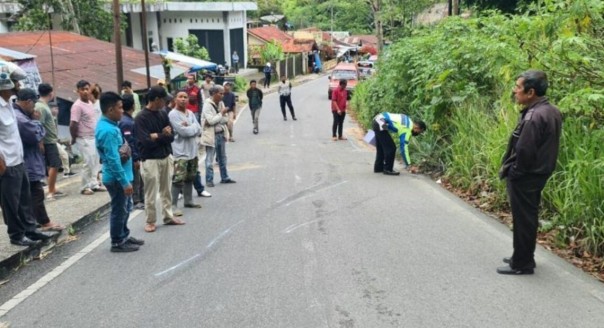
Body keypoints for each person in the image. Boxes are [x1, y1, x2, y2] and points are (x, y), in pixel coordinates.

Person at [497, 70, 562, 275]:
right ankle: (523, 256)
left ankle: (522, 264)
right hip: (539, 172)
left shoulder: (534, 116)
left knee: (523, 218)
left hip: (526, 175)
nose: (515, 91)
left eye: (518, 87)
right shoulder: (551, 110)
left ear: (531, 91)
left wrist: (515, 172)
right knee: (529, 216)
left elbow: (524, 150)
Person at [0, 68, 53, 246]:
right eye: (13, 84)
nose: (17, 86)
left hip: (19, 159)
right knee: (11, 203)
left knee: (24, 199)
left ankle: (30, 230)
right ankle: (16, 235)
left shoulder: (9, 105)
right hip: (6, 162)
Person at [96, 91, 145, 252]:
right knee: (119, 209)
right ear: (110, 110)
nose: (122, 111)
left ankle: (124, 234)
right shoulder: (107, 131)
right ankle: (117, 241)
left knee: (125, 207)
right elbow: (112, 160)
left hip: (122, 175)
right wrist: (124, 182)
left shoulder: (112, 126)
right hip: (117, 178)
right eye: (119, 108)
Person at [134, 86, 185, 233]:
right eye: (163, 100)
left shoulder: (163, 114)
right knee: (150, 191)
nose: (165, 103)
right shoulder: (141, 117)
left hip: (165, 156)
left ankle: (168, 216)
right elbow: (145, 141)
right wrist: (161, 135)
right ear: (156, 100)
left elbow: (171, 135)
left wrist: (157, 135)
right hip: (149, 159)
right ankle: (150, 221)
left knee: (166, 189)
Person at [14, 88, 64, 231]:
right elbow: (35, 134)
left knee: (30, 194)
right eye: (33, 104)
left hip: (28, 160)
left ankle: (33, 222)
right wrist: (36, 121)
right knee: (36, 192)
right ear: (28, 102)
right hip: (27, 161)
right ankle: (44, 222)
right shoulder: (21, 118)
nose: (34, 108)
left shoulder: (21, 115)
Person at [169, 91, 203, 214]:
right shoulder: (173, 114)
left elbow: (199, 129)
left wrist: (189, 126)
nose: (183, 99)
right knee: (178, 178)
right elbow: (184, 132)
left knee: (190, 176)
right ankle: (173, 205)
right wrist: (191, 127)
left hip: (193, 150)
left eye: (185, 97)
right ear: (175, 99)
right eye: (180, 97)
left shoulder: (190, 113)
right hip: (180, 151)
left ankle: (188, 200)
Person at [70, 80, 105, 195]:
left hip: (93, 136)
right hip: (84, 137)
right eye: (82, 89)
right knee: (88, 162)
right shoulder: (77, 106)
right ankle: (84, 187)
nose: (85, 91)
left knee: (96, 161)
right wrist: (73, 137)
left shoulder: (89, 103)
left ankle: (94, 183)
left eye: (87, 89)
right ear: (78, 91)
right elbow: (73, 123)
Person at [35, 83, 65, 200]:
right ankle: (51, 191)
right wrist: (40, 142)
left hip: (49, 140)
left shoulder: (42, 105)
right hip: (48, 141)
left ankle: (52, 187)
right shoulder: (41, 107)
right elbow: (39, 125)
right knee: (55, 164)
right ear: (51, 93)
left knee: (50, 165)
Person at [201, 85, 235, 187]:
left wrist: (218, 117)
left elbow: (226, 119)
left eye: (222, 93)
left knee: (222, 158)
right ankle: (209, 180)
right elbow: (211, 121)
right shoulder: (207, 105)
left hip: (221, 134)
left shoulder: (220, 103)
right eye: (220, 93)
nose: (222, 95)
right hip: (211, 135)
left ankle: (225, 177)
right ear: (214, 93)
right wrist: (221, 114)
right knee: (209, 159)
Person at [118, 94, 144, 210]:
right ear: (133, 106)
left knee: (137, 178)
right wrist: (136, 158)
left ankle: (140, 198)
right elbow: (130, 142)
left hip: (132, 155)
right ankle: (136, 200)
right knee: (135, 178)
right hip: (131, 156)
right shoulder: (127, 122)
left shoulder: (126, 120)